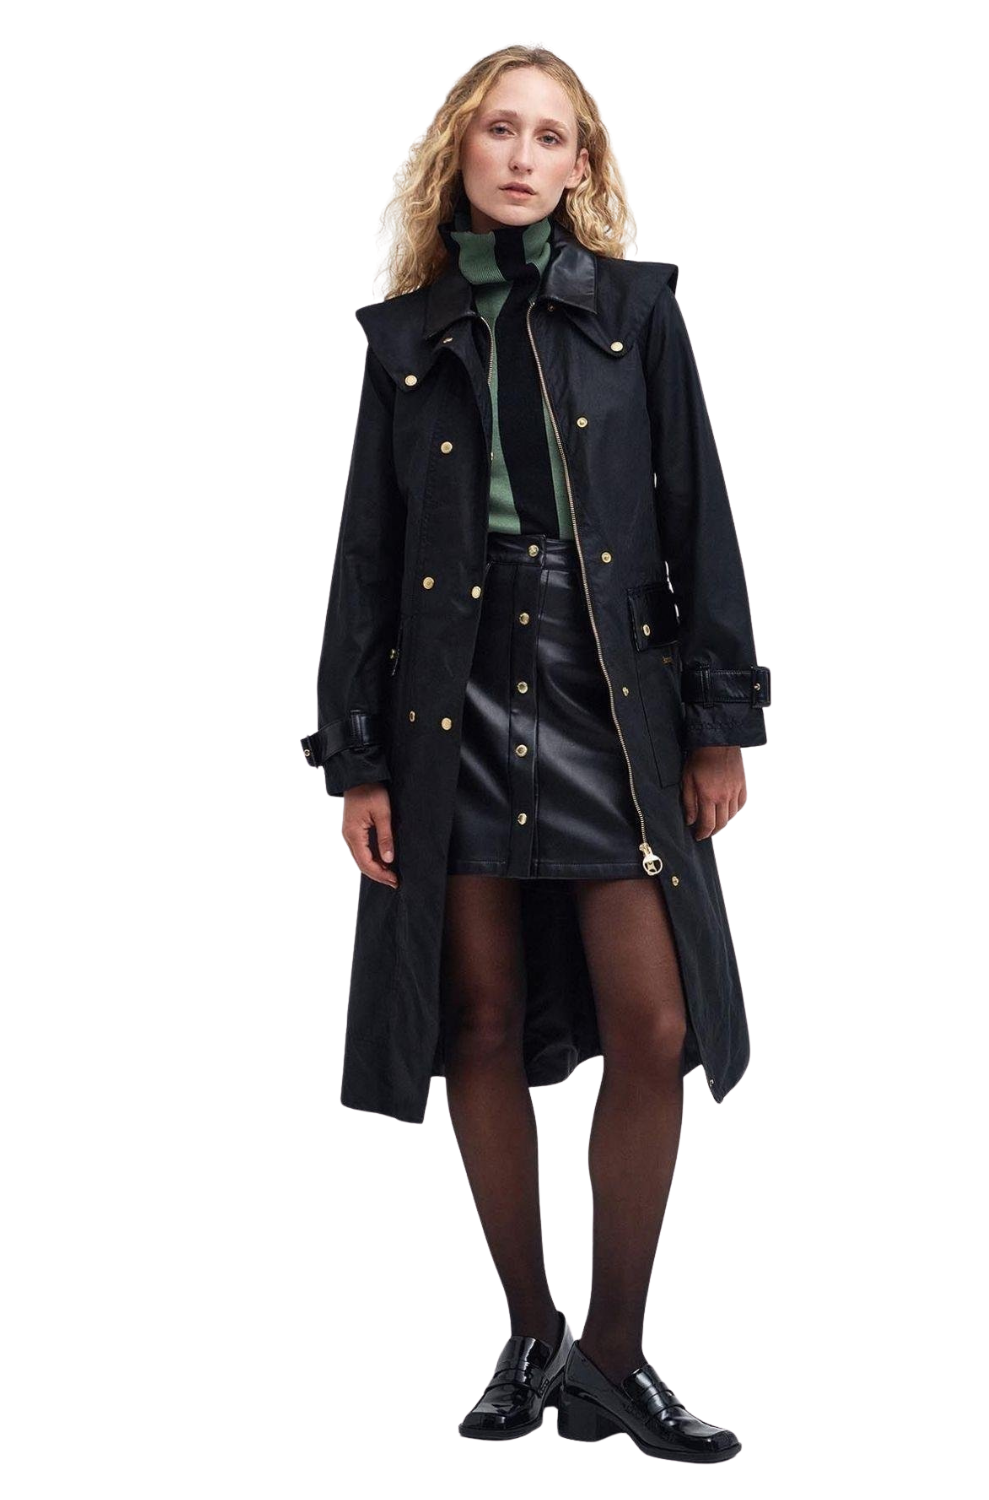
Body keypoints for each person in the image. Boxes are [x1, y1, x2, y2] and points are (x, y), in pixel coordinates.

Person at [300, 46, 770, 1463]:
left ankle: (612, 1361)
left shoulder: (637, 316)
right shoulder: (408, 339)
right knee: (481, 1022)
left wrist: (717, 719)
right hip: (449, 695)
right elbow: (367, 555)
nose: (522, 155)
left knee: (657, 1025)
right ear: (461, 150)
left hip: (607, 688)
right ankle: (530, 1330)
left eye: (550, 136)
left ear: (582, 166)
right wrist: (358, 759)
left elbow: (698, 516)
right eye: (500, 129)